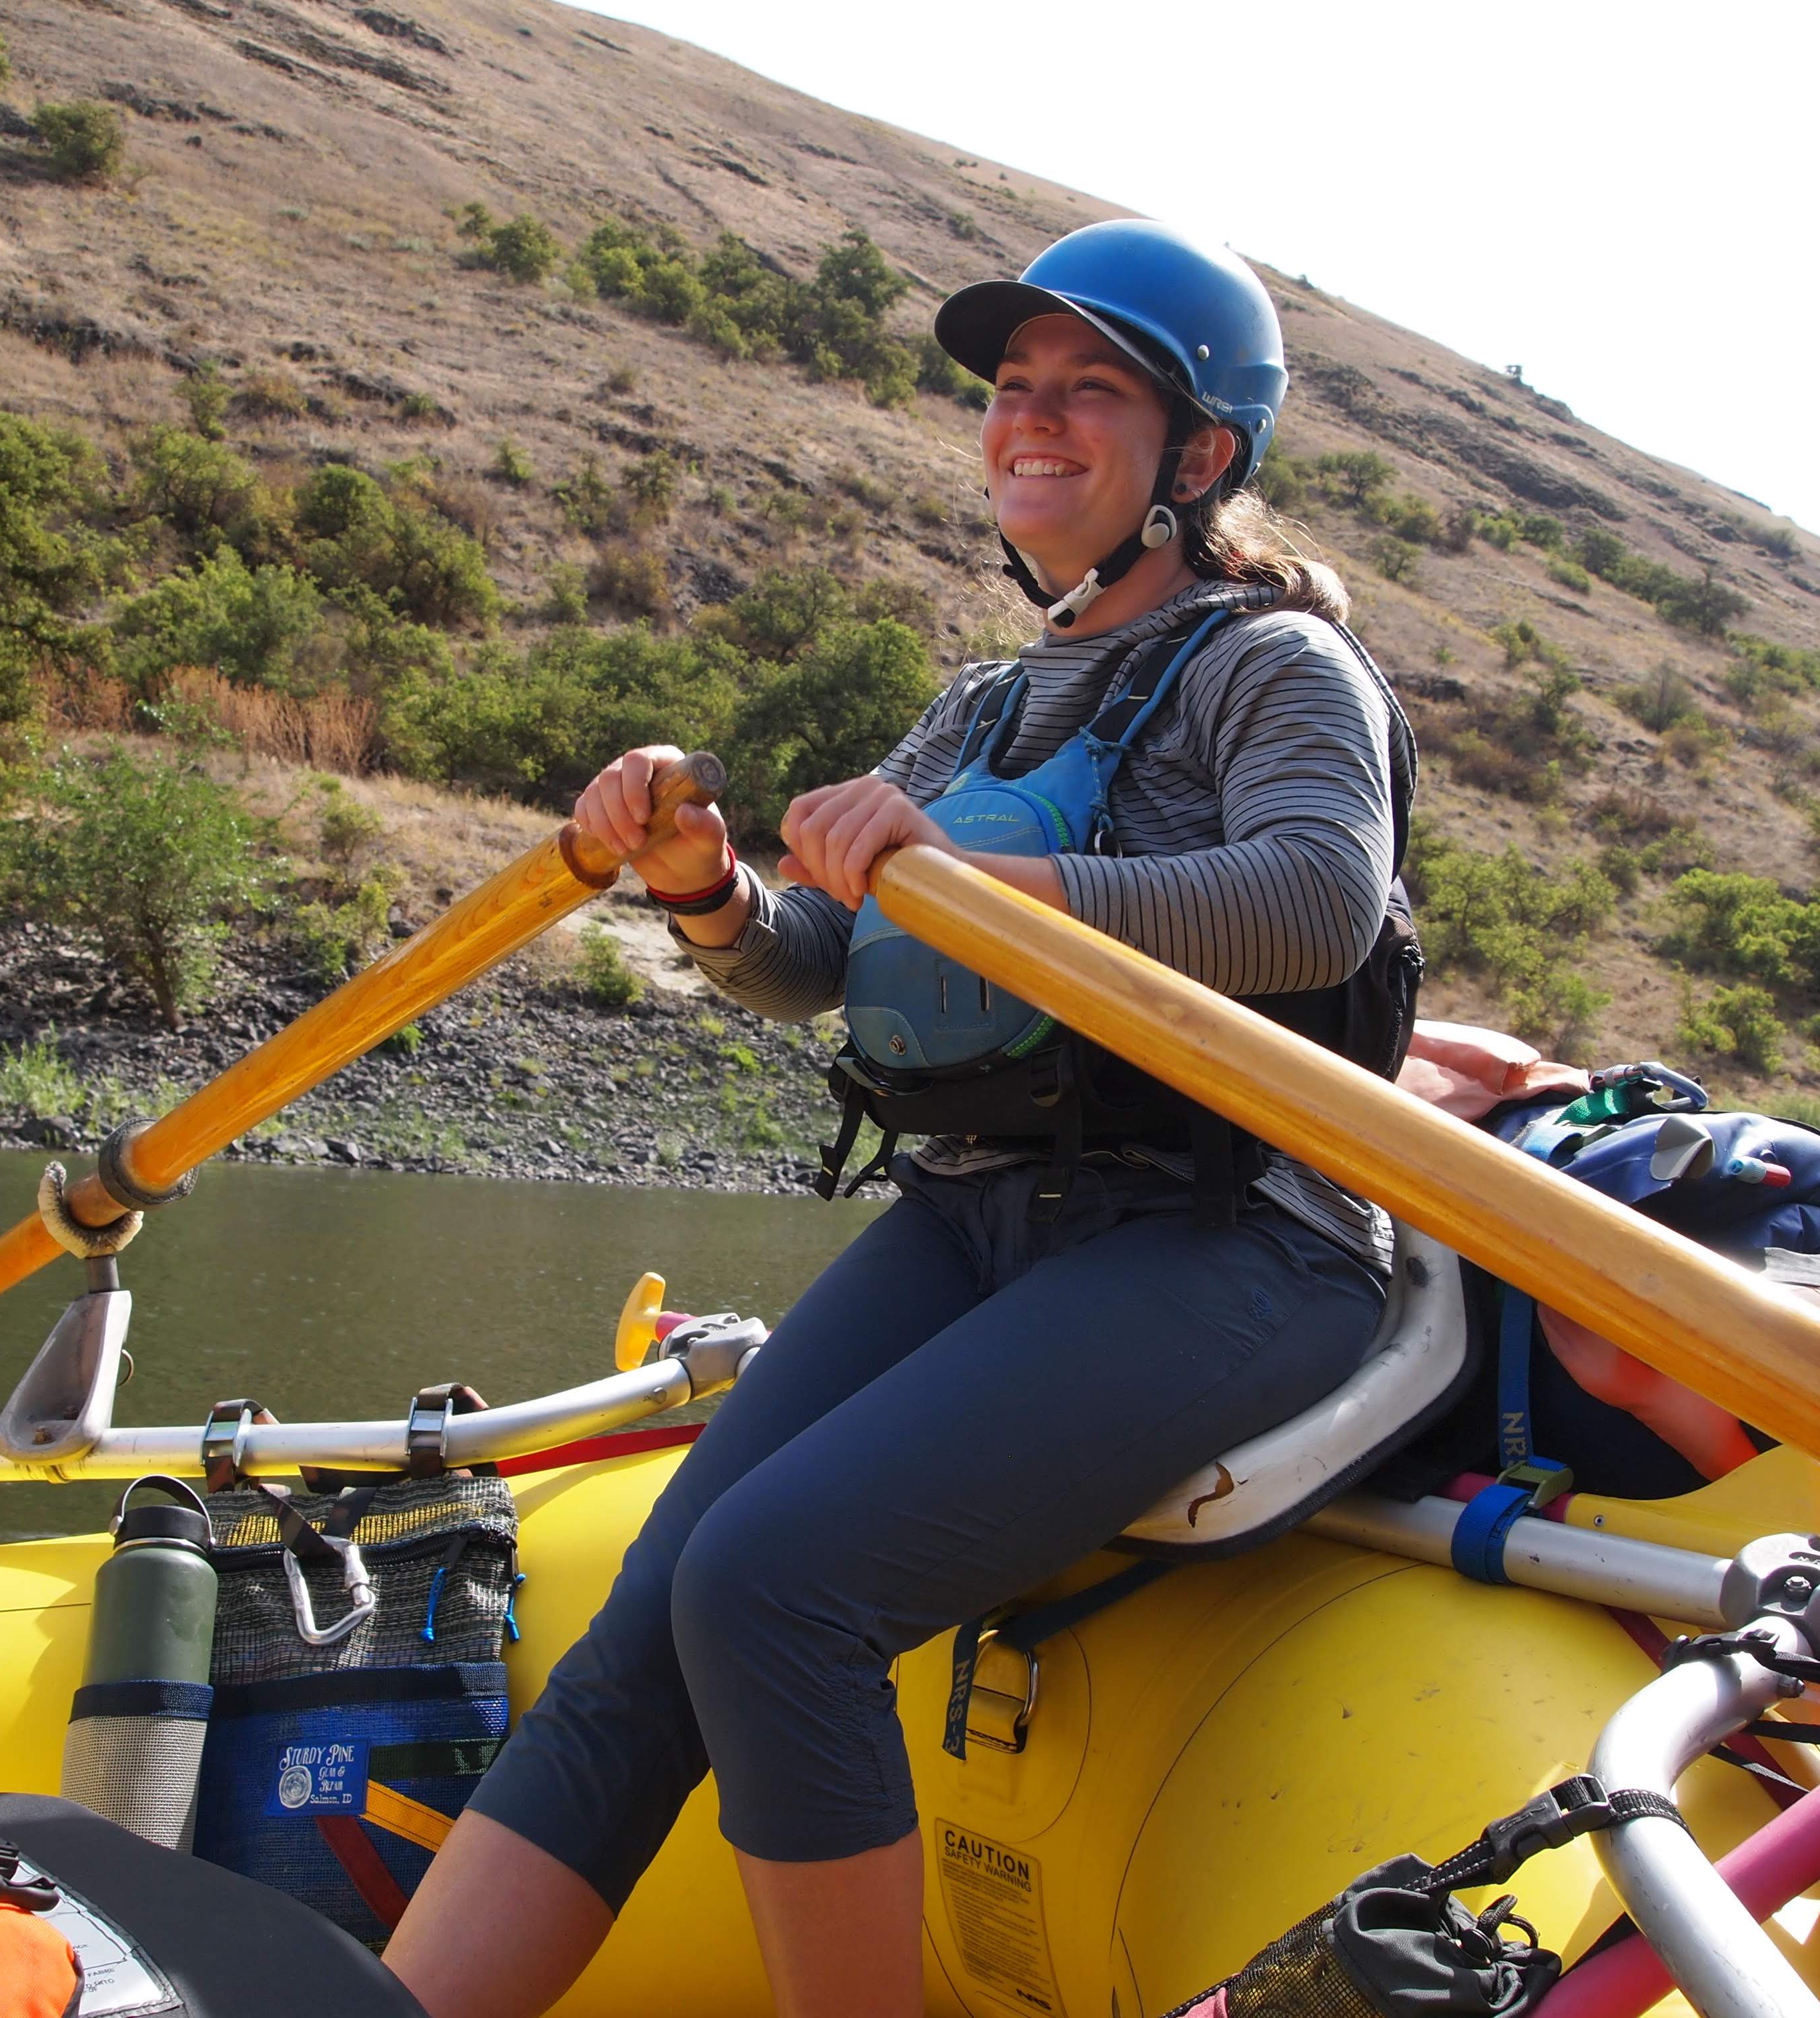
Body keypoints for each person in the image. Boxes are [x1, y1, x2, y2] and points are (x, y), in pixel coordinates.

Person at [386, 217, 1416, 2018]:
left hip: (1232, 1229)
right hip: (975, 1216)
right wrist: (708, 893)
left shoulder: (1280, 667)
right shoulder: (984, 706)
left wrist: (992, 878)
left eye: (1089, 389)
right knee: (662, 1611)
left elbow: (1319, 901)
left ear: (1202, 456)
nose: (1030, 417)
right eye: (1013, 388)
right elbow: (819, 966)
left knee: (776, 1588)